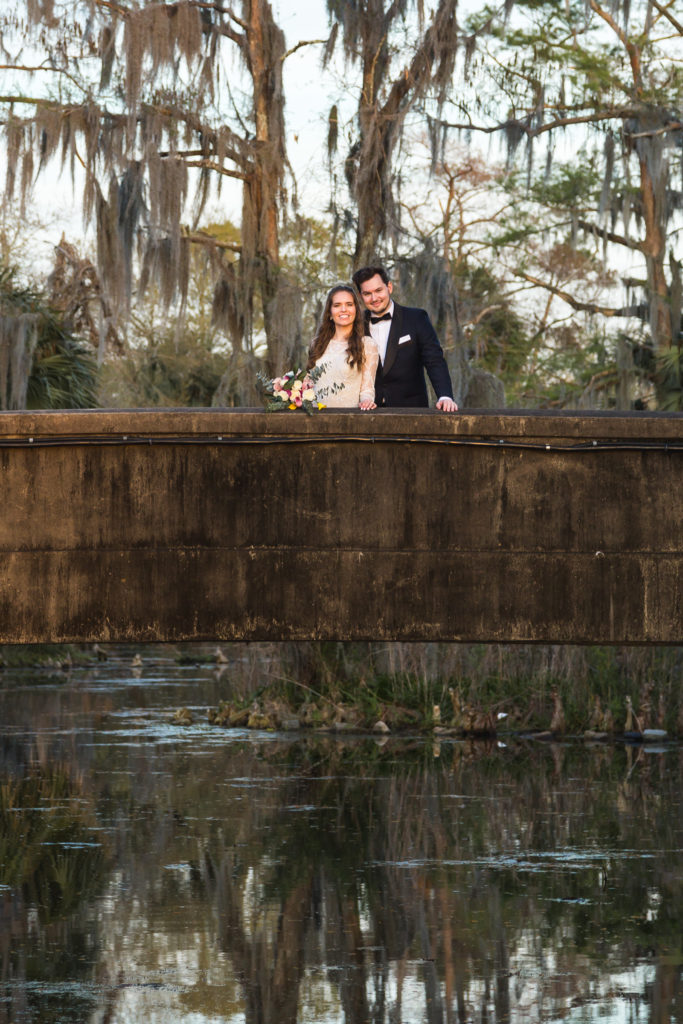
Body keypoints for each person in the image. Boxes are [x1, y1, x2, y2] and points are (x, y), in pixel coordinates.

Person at [351, 265, 458, 411]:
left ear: (389, 287)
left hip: (411, 411)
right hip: (367, 412)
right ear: (360, 295)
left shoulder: (416, 318)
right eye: (367, 293)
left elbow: (434, 360)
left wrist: (445, 396)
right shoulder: (355, 326)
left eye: (378, 290)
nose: (374, 298)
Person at [307, 284, 379, 409]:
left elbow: (367, 389)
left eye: (349, 304)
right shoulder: (317, 343)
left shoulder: (367, 345)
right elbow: (309, 384)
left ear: (356, 310)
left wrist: (367, 401)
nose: (344, 309)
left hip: (348, 421)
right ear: (330, 312)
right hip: (315, 419)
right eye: (337, 305)